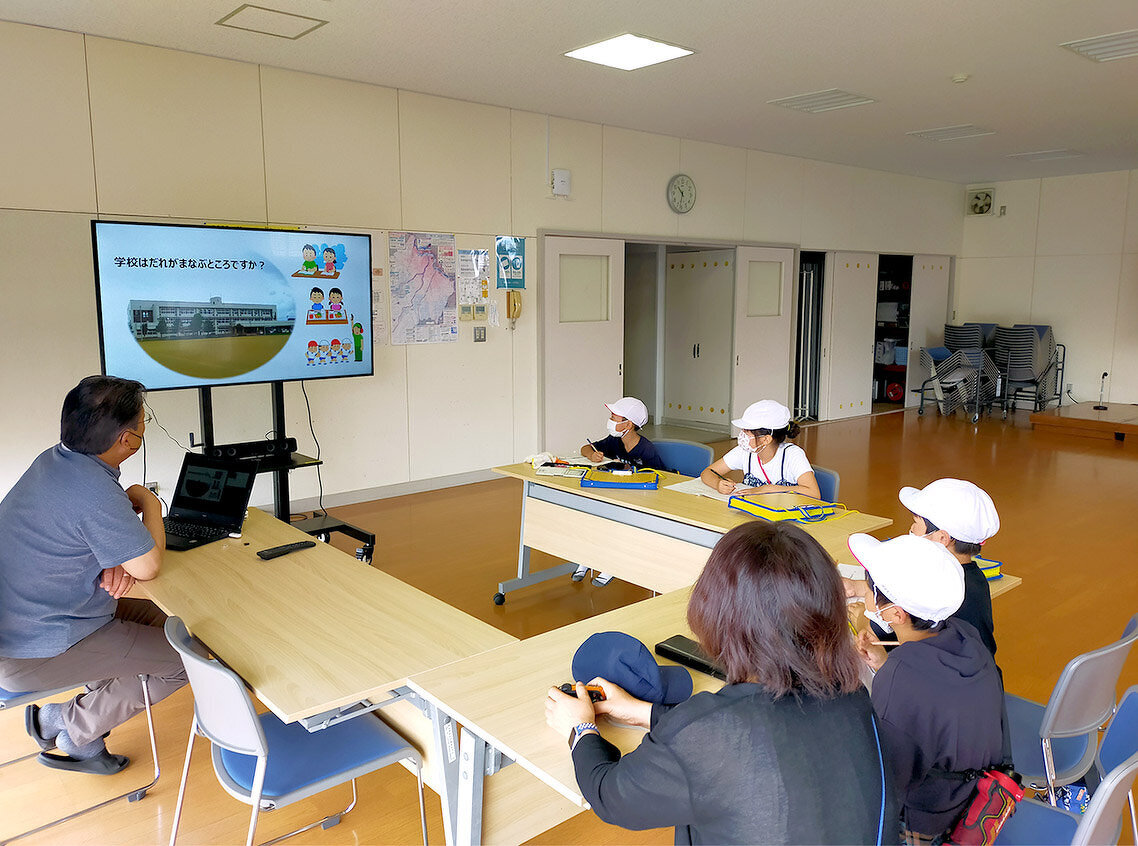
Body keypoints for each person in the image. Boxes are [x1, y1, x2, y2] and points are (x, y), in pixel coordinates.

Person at [546, 521, 899, 844]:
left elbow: (611, 796)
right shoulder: (854, 698)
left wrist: (580, 728)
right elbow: (742, 740)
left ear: (717, 612)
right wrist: (643, 712)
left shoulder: (712, 732)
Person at [0, 376, 187, 775]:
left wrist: (112, 556)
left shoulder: (54, 461)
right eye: (143, 424)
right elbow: (149, 566)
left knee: (182, 624)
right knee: (188, 660)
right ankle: (72, 728)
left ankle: (75, 715)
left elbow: (77, 529)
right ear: (127, 440)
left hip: (38, 620)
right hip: (35, 649)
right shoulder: (94, 491)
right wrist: (150, 503)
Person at [849, 533, 1004, 844]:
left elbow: (883, 783)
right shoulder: (963, 634)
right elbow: (932, 700)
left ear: (896, 614)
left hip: (930, 820)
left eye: (870, 589)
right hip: (975, 796)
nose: (865, 595)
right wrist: (883, 663)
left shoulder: (900, 679)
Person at [574, 397, 667, 587]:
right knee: (592, 515)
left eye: (614, 417)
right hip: (617, 494)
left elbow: (659, 477)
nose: (610, 421)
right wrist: (592, 454)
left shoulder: (646, 449)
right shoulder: (613, 441)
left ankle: (611, 564)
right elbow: (585, 448)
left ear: (628, 424)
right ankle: (587, 557)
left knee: (615, 522)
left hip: (640, 500)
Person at [700, 400, 820, 500]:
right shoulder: (744, 452)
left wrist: (770, 489)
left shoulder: (792, 455)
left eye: (748, 432)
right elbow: (707, 472)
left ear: (766, 439)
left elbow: (814, 493)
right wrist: (718, 484)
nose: (742, 435)